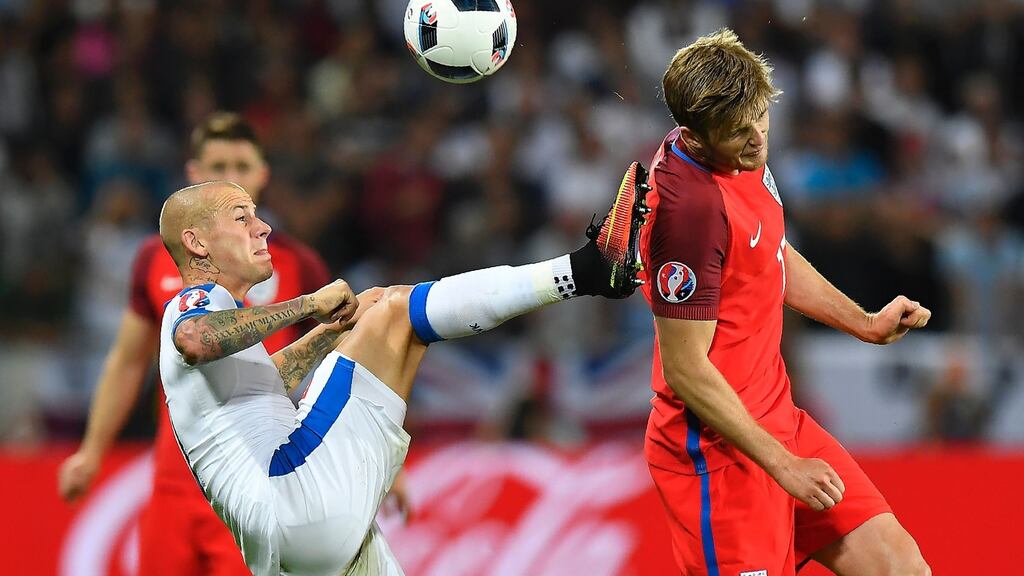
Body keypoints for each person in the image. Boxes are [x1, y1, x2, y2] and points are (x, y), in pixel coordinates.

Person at [155, 171, 644, 576]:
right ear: (196, 243)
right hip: (295, 496)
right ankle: (590, 270)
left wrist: (331, 329)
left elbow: (264, 388)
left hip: (293, 552)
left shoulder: (220, 340)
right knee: (395, 309)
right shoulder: (197, 303)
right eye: (242, 219)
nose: (262, 228)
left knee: (381, 310)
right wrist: (306, 305)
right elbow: (195, 339)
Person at [638, 30, 932, 575]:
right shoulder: (690, 215)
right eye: (737, 132)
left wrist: (864, 323)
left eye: (760, 117)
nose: (756, 139)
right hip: (717, 456)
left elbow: (768, 252)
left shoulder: (741, 155)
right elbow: (684, 369)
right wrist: (783, 466)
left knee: (901, 569)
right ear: (696, 137)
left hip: (779, 421)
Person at [57, 112, 346, 575]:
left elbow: (337, 364)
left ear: (262, 175)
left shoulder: (297, 264)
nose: (230, 179)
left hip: (254, 484)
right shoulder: (156, 258)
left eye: (241, 167)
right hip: (173, 485)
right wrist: (93, 449)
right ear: (193, 176)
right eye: (217, 168)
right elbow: (129, 360)